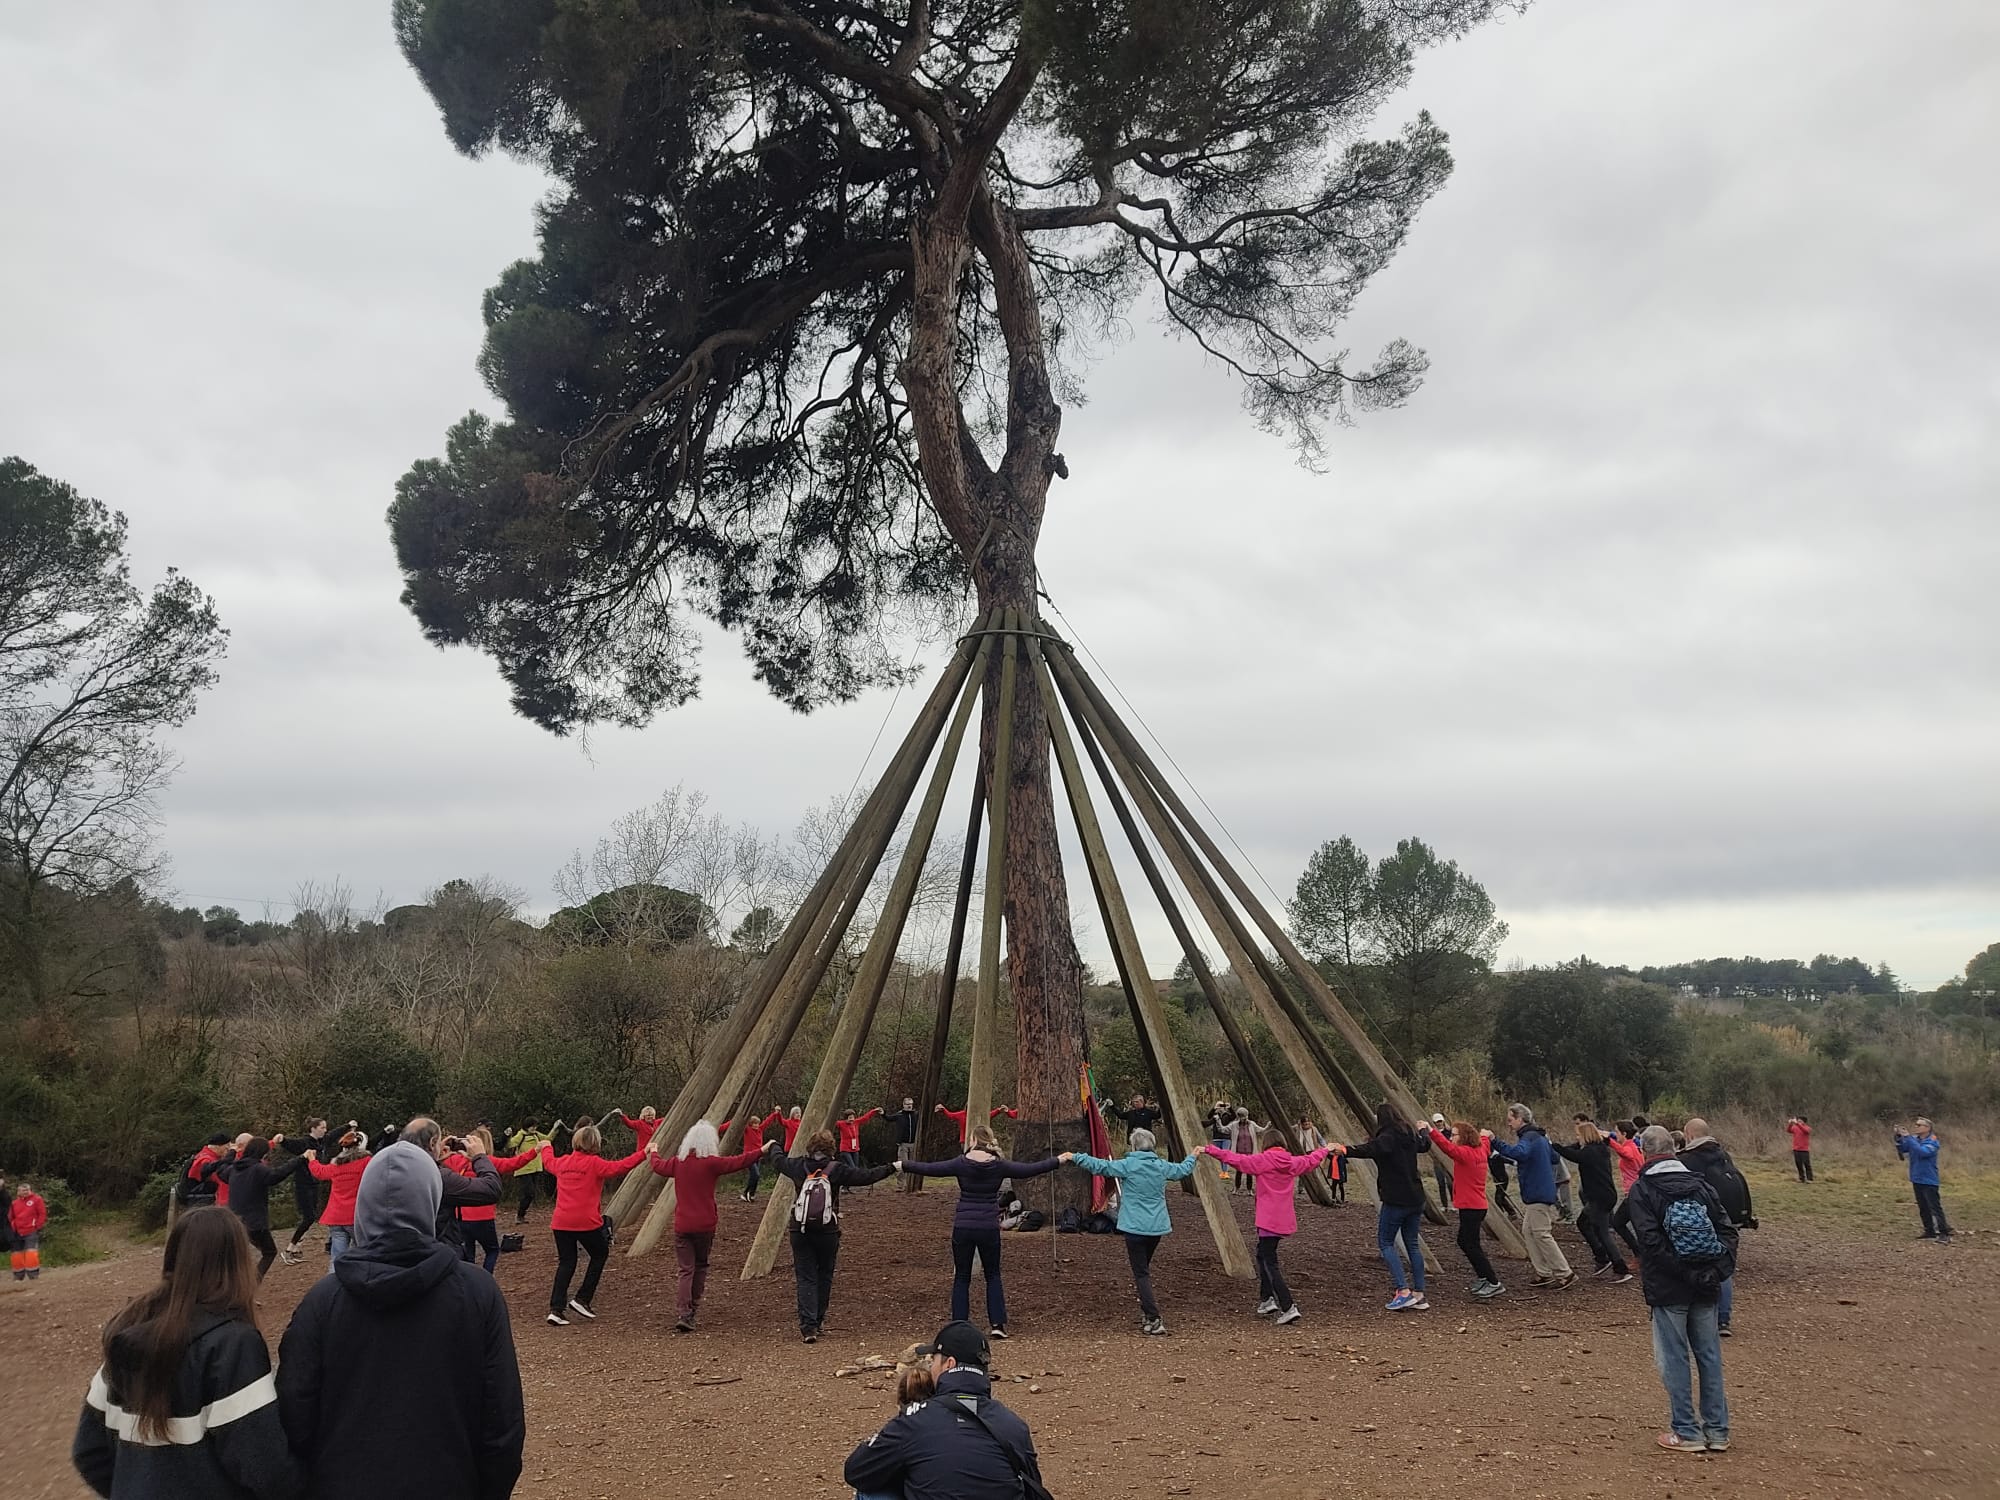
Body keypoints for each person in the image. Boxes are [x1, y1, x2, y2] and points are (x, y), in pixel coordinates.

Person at [277, 1140, 526, 1499]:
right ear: (431, 1201)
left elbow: (294, 1413)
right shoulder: (477, 1292)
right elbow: (503, 1422)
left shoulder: (324, 1300)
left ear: (364, 1205)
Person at [72, 1206, 300, 1498]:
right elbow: (264, 1467)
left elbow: (88, 1451)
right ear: (237, 1263)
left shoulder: (128, 1329)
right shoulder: (233, 1345)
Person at [1613, 1125, 1734, 1454]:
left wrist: (1683, 1273)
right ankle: (1718, 1430)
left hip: (1669, 1288)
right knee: (1709, 1356)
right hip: (1706, 1284)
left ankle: (1686, 1430)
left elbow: (1650, 1244)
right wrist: (1716, 1272)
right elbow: (1727, 1231)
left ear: (1646, 1152)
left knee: (1675, 1358)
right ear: (1674, 1148)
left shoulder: (1642, 1189)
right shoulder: (1701, 1184)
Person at [844, 1321, 1044, 1500]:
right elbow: (1033, 1488)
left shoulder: (917, 1418)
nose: (931, 1368)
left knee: (871, 1492)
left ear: (949, 1364)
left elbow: (856, 1471)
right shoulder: (1013, 1424)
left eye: (933, 1360)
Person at [903, 1125, 1061, 1339]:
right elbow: (1030, 1169)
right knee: (993, 1275)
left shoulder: (961, 1163)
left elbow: (930, 1168)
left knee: (961, 1276)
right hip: (988, 1226)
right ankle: (997, 1324)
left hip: (964, 1225)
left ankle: (959, 1325)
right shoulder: (998, 1165)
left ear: (973, 1140)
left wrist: (901, 1164)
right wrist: (1059, 1159)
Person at [1061, 1128, 1200, 1335]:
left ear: (1134, 1146)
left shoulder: (1128, 1165)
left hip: (1135, 1228)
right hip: (1156, 1228)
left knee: (1141, 1273)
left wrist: (1075, 1157)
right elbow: (1182, 1170)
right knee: (1143, 1269)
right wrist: (1194, 1155)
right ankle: (1147, 1312)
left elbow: (1101, 1166)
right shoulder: (1161, 1166)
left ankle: (1154, 1317)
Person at [770, 1127, 896, 1343]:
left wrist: (773, 1145)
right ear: (832, 1150)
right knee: (824, 1275)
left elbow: (778, 1160)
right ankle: (818, 1321)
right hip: (827, 1229)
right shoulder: (837, 1169)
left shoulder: (798, 1165)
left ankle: (808, 1327)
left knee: (806, 1276)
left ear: (809, 1148)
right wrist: (892, 1167)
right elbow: (867, 1176)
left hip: (799, 1229)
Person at [1203, 1122, 1333, 1324]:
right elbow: (1310, 1160)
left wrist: (1210, 1149)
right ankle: (1267, 1299)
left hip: (1267, 1220)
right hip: (1283, 1219)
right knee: (1262, 1255)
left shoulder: (1262, 1161)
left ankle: (1288, 1306)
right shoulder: (1290, 1162)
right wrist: (1325, 1149)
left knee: (1269, 1262)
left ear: (1265, 1144)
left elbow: (1235, 1159)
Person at [645, 1117, 766, 1332]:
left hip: (683, 1224)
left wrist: (653, 1151)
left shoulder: (677, 1163)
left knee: (685, 1269)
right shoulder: (711, 1164)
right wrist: (762, 1150)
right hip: (705, 1224)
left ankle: (683, 1311)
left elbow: (658, 1166)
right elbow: (739, 1161)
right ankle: (693, 1308)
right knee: (701, 1266)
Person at [540, 1120, 647, 1326]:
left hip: (561, 1221)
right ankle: (582, 1299)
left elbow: (548, 1161)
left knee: (566, 1262)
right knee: (600, 1254)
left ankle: (556, 1308)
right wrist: (645, 1153)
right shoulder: (595, 1164)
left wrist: (546, 1146)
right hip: (586, 1222)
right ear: (596, 1144)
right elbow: (621, 1166)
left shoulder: (562, 1162)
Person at [1344, 1102, 1432, 1311]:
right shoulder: (1408, 1134)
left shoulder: (1387, 1136)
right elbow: (1425, 1145)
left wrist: (1345, 1150)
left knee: (1385, 1242)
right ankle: (1419, 1294)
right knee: (1412, 1244)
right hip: (1416, 1198)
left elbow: (1370, 1149)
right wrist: (1424, 1131)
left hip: (1396, 1199)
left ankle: (1403, 1291)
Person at [1678, 1118, 1756, 1335]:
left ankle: (1701, 1315)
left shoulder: (1689, 1159)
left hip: (1706, 1216)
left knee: (1700, 1262)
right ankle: (1723, 1319)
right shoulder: (1723, 1154)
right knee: (1724, 1266)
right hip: (1730, 1216)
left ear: (1690, 1135)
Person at [1491, 1104, 1574, 1288]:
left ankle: (1564, 1272)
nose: (1509, 1123)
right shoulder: (1540, 1137)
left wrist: (1494, 1141)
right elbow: (1554, 1157)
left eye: (1511, 1120)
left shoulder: (1529, 1137)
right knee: (1528, 1231)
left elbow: (1518, 1153)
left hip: (1537, 1192)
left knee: (1542, 1233)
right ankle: (1543, 1272)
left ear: (1520, 1118)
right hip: (1540, 1191)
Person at [210, 1136, 310, 1280]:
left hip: (234, 1221)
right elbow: (278, 1174)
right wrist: (301, 1158)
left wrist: (232, 1152)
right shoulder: (258, 1169)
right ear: (262, 1153)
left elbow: (220, 1170)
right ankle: (250, 1287)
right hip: (255, 1223)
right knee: (269, 1252)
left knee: (236, 1258)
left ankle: (231, 1287)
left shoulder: (234, 1169)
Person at [1427, 1118, 1504, 1299]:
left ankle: (1493, 1281)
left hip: (1471, 1207)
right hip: (1475, 1206)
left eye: (1454, 1135)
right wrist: (1485, 1135)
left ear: (1464, 1138)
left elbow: (1447, 1148)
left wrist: (1431, 1131)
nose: (1452, 1138)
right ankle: (1484, 1277)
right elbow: (1484, 1140)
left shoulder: (1466, 1154)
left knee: (1471, 1245)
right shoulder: (1480, 1150)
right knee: (1465, 1241)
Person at [1553, 1120, 1633, 1283]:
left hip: (1599, 1198)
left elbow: (1570, 1154)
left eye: (1578, 1135)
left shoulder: (1589, 1153)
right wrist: (1576, 1143)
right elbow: (1573, 1150)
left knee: (1603, 1232)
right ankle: (1601, 1257)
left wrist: (1553, 1145)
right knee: (1584, 1223)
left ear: (1585, 1136)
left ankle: (1620, 1267)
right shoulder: (1600, 1148)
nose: (1577, 1138)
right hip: (1604, 1195)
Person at [305, 1130, 371, 1267]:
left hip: (336, 1217)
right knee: (365, 1253)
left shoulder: (336, 1165)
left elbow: (320, 1172)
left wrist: (312, 1159)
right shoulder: (366, 1162)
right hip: (355, 1216)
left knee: (336, 1259)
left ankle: (333, 1283)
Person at [279, 1120, 330, 1266]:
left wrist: (348, 1126)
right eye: (322, 1127)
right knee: (309, 1217)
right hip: (303, 1185)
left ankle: (296, 1249)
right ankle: (289, 1249)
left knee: (311, 1218)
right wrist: (282, 1139)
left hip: (314, 1184)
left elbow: (334, 1134)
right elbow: (290, 1144)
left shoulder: (322, 1142)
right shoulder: (304, 1142)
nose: (325, 1130)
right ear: (313, 1129)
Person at [1895, 1118, 1951, 1244]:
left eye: (1919, 1125)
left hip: (1929, 1179)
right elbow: (1904, 1149)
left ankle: (1944, 1233)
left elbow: (1922, 1152)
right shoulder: (1914, 1139)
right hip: (1916, 1177)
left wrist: (1908, 1138)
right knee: (1923, 1207)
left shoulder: (1933, 1141)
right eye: (1916, 1124)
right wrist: (1899, 1138)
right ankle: (1929, 1230)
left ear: (1927, 1128)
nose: (1916, 1126)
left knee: (1935, 1207)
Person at [503, 1120, 551, 1224]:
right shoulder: (521, 1135)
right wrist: (507, 1136)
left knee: (530, 1194)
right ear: (526, 1127)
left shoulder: (537, 1135)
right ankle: (520, 1215)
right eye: (532, 1126)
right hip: (523, 1169)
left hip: (535, 1168)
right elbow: (510, 1144)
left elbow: (548, 1139)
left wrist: (556, 1129)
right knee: (528, 1193)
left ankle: (521, 1215)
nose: (534, 1128)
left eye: (535, 1126)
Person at [9, 1179, 48, 1281]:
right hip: (16, 1232)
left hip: (31, 1230)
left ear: (30, 1190)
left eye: (26, 1190)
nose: (24, 1192)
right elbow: (10, 1217)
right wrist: (11, 1228)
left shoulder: (37, 1199)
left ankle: (33, 1275)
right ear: (18, 1192)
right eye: (22, 1190)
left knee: (31, 1253)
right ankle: (18, 1275)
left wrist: (37, 1226)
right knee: (16, 1254)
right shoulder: (14, 1203)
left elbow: (42, 1214)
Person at [1224, 1107, 1267, 1193]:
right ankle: (1236, 1188)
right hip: (1239, 1152)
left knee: (1249, 1171)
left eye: (1246, 1116)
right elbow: (1223, 1129)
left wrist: (1267, 1126)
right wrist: (1217, 1121)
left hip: (1250, 1152)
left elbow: (1261, 1130)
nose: (1245, 1118)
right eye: (1243, 1116)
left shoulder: (1252, 1124)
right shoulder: (1234, 1125)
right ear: (1239, 1117)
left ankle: (1249, 1189)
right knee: (1239, 1171)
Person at [182, 1132, 230, 1211]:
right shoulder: (205, 1159)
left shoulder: (203, 1155)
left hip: (199, 1199)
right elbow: (215, 1176)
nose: (228, 1149)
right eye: (226, 1146)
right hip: (201, 1202)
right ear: (218, 1146)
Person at [933, 1102, 1019, 1144]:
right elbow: (950, 1115)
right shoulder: (961, 1114)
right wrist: (943, 1109)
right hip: (964, 1141)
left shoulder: (979, 1115)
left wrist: (999, 1110)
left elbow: (989, 1115)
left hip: (978, 1140)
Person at [1427, 1114, 1456, 1210]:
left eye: (1440, 1121)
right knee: (1441, 1183)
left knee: (1450, 1183)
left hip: (1448, 1159)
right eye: (1437, 1122)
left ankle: (1453, 1203)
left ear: (1443, 1121)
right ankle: (1444, 1205)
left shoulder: (1449, 1132)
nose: (1439, 1123)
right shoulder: (1431, 1133)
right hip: (1437, 1160)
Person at [886, 1097, 922, 1168]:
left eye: (911, 1104)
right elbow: (889, 1118)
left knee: (914, 1165)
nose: (909, 1106)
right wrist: (883, 1114)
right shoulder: (899, 1115)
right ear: (903, 1105)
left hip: (914, 1144)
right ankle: (902, 1179)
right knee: (902, 1164)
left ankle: (911, 1178)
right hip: (903, 1144)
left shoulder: (916, 1114)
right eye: (907, 1104)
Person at [1786, 1114, 1813, 1182]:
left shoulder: (1807, 1128)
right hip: (1796, 1149)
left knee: (1807, 1164)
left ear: (1804, 1122)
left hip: (1804, 1150)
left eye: (1800, 1121)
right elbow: (1788, 1130)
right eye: (1798, 1121)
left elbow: (1805, 1131)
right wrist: (1790, 1124)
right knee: (1798, 1164)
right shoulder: (1795, 1127)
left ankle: (1809, 1178)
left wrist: (1797, 1124)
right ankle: (1802, 1178)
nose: (1798, 1122)